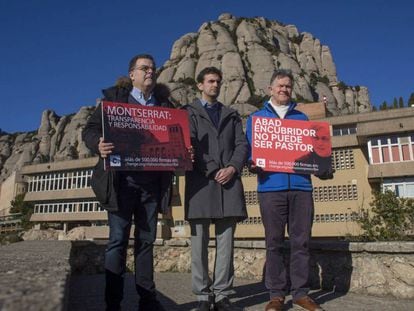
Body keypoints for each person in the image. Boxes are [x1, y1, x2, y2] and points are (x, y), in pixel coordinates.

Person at [82, 54, 173, 311]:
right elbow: (88, 130)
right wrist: (97, 144)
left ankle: (148, 300)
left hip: (153, 185)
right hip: (122, 182)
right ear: (132, 74)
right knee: (117, 241)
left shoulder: (165, 105)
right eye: (144, 68)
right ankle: (113, 304)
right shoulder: (113, 100)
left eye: (153, 69)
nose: (150, 72)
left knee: (146, 243)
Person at [246, 69, 328, 311]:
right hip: (270, 189)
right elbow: (250, 152)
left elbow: (314, 153)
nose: (284, 89)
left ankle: (301, 293)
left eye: (288, 86)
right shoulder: (255, 119)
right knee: (273, 243)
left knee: (301, 242)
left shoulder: (303, 119)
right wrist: (252, 163)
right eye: (280, 85)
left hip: (302, 187)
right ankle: (276, 295)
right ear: (270, 89)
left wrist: (323, 166)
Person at [184, 67, 248, 311]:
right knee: (198, 243)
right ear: (200, 85)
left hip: (228, 184)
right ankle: (202, 295)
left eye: (218, 82)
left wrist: (232, 168)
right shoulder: (188, 113)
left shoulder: (231, 114)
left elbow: (242, 145)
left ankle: (222, 294)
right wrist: (212, 169)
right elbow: (190, 145)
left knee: (226, 243)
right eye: (210, 81)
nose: (215, 85)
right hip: (200, 184)